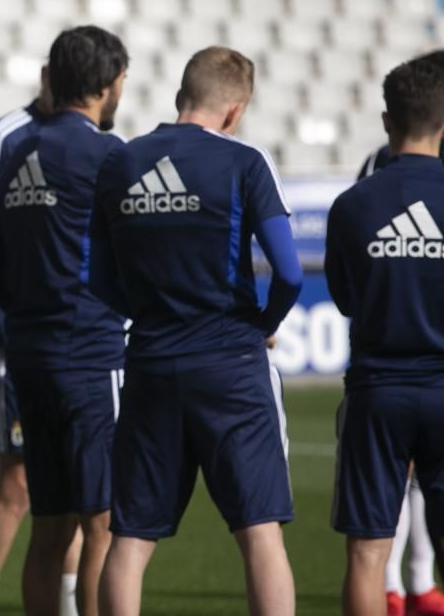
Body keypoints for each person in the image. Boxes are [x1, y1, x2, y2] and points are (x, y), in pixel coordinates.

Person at [93, 46, 301, 616]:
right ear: (234, 111)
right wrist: (263, 324)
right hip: (231, 361)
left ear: (180, 95)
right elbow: (288, 271)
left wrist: (149, 315)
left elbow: (96, 278)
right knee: (259, 532)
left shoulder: (121, 163)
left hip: (152, 362)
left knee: (130, 537)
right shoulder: (244, 162)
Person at [0, 25, 130, 616]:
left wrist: (30, 307)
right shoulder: (110, 155)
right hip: (90, 358)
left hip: (29, 358)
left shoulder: (20, 151)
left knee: (49, 528)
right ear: (109, 85)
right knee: (104, 523)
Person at [0, 70, 83, 616]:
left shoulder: (87, 140)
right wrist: (7, 316)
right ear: (50, 77)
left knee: (79, 487)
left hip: (77, 348)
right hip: (17, 345)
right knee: (20, 483)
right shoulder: (4, 138)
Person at [326, 55, 444, 616]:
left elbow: (347, 298)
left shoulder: (351, 205)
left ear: (385, 120)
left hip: (377, 392)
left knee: (367, 554)